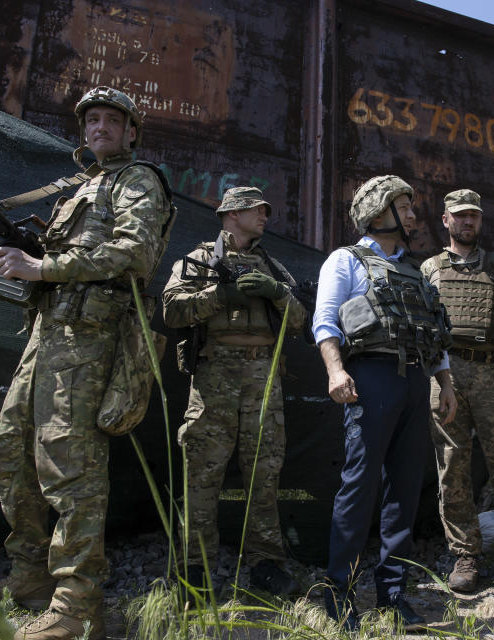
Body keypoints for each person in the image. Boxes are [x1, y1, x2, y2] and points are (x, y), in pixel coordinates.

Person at [0, 87, 175, 640]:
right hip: (48, 334)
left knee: (72, 471)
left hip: (91, 341)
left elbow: (135, 252)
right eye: (91, 119)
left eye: (111, 120)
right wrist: (33, 264)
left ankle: (77, 606)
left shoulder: (138, 180)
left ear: (131, 131)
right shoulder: (79, 187)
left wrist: (44, 269)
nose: (99, 127)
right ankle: (30, 580)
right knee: (9, 455)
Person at [312, 175, 457, 631]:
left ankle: (393, 594)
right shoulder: (345, 260)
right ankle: (340, 592)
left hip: (416, 380)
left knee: (406, 488)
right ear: (378, 212)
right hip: (370, 378)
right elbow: (325, 320)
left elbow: (434, 332)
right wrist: (336, 371)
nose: (413, 214)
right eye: (404, 205)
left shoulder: (416, 270)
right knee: (359, 484)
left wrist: (445, 384)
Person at [161, 186, 306, 597]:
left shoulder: (273, 267)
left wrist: (277, 294)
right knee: (201, 477)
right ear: (230, 215)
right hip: (213, 379)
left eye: (264, 210)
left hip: (264, 380)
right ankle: (196, 571)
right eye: (254, 210)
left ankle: (265, 565)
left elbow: (299, 321)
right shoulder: (199, 259)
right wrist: (219, 295)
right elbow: (172, 309)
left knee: (264, 476)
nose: (263, 217)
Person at [419, 188, 494, 593]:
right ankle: (465, 556)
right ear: (445, 220)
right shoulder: (430, 269)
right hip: (445, 373)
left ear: (481, 220)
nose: (467, 222)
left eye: (474, 215)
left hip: (491, 373)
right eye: (460, 215)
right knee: (452, 468)